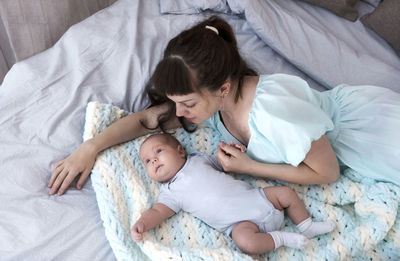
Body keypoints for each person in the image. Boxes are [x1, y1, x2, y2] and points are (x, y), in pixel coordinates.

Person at [48, 15, 400, 195]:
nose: (180, 115)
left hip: (369, 134)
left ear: (223, 87)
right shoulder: (214, 105)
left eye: (186, 104)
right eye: (176, 103)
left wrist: (251, 167)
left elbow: (327, 173)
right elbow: (146, 121)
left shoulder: (275, 113)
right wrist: (90, 147)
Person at [131, 133, 335, 254]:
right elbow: (157, 211)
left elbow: (225, 164)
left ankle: (306, 225)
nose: (154, 160)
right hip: (242, 225)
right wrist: (142, 223)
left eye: (158, 152)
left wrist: (233, 151)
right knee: (244, 243)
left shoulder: (198, 160)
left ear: (180, 151)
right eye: (147, 161)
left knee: (286, 193)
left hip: (259, 198)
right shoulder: (170, 193)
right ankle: (281, 238)